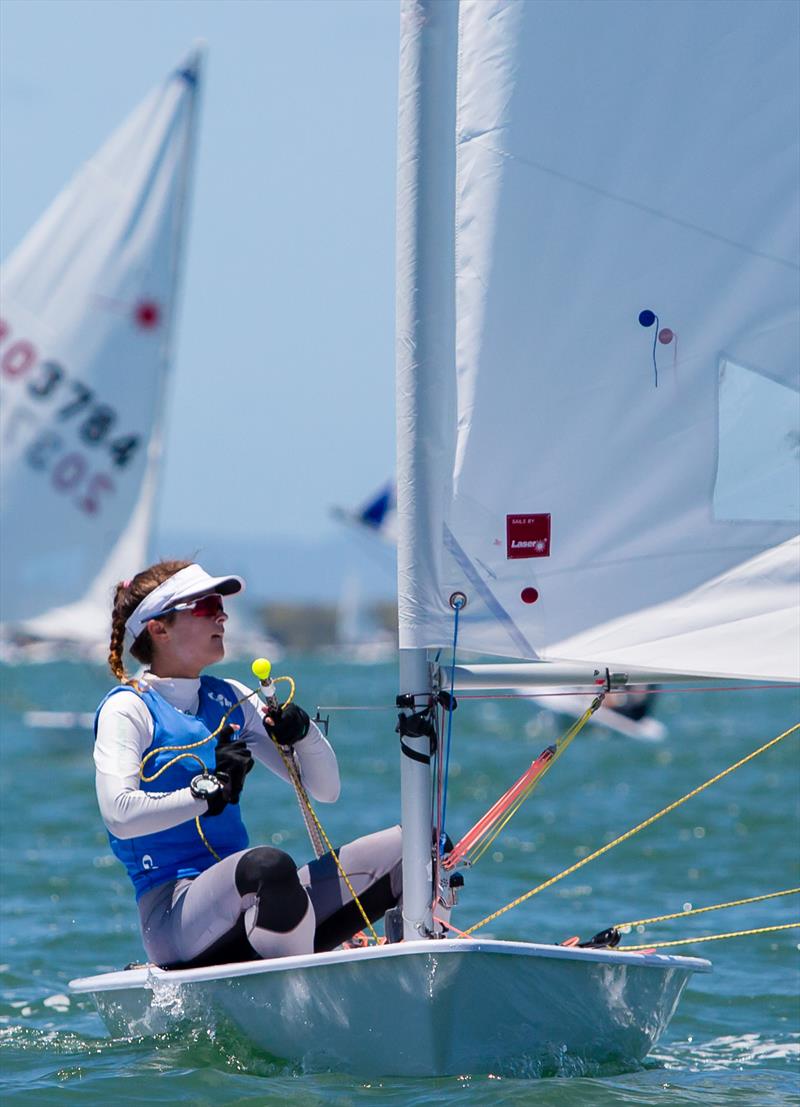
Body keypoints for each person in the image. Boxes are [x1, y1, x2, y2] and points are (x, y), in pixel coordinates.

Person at [95, 559, 402, 969]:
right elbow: (119, 816)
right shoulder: (128, 709)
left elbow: (326, 791)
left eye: (220, 605)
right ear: (158, 628)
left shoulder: (233, 698)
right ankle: (301, 994)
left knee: (416, 846)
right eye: (204, 607)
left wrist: (304, 733)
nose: (221, 614)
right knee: (268, 867)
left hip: (251, 900)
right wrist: (207, 793)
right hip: (175, 917)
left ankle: (411, 967)